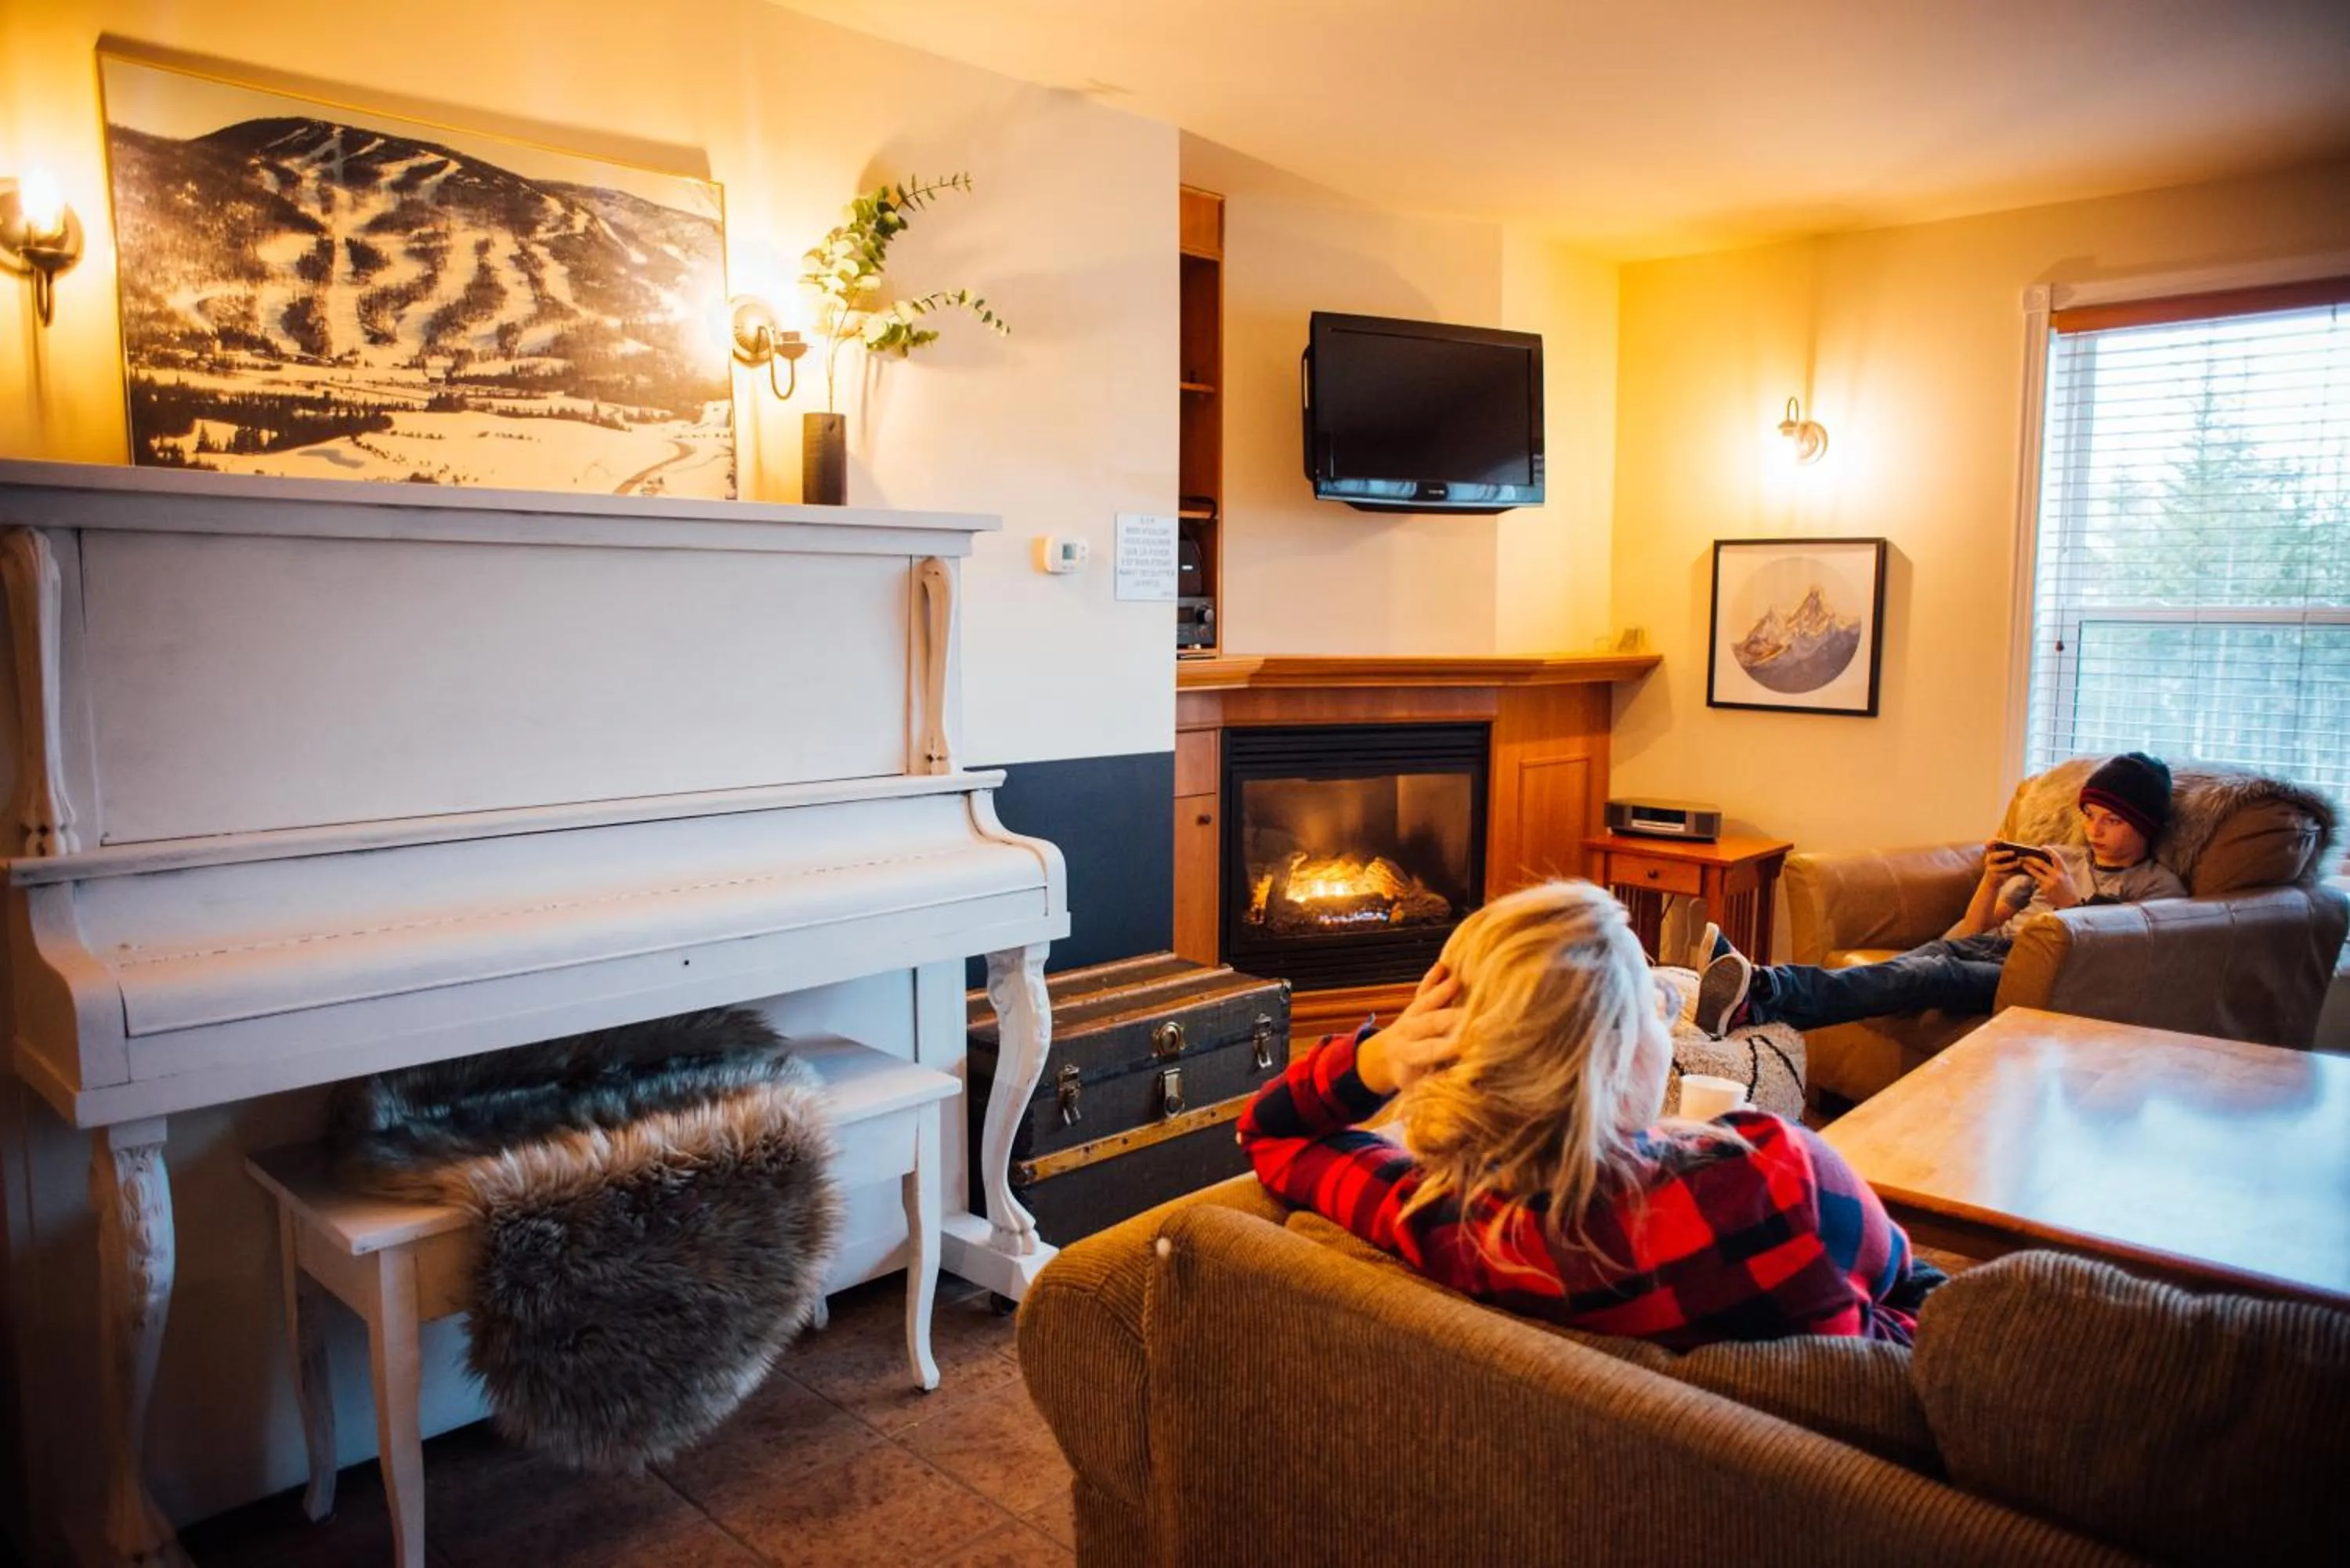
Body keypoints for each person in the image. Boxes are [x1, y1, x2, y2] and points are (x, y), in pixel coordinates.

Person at [1237, 880, 1937, 1349]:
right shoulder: (1781, 1180)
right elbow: (1918, 1309)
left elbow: (1269, 1129)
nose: (1668, 1018)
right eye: (1660, 1005)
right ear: (1616, 1059)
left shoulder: (1447, 1221)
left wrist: (1378, 1060)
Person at [1694, 751, 2188, 1037]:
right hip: (1987, 948)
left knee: (1929, 972)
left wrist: (2067, 906)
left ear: (2145, 826)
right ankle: (1758, 994)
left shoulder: (2157, 886)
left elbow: (2124, 965)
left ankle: (1762, 988)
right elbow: (1970, 933)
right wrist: (1993, 881)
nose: (2095, 830)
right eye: (2090, 816)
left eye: (2113, 820)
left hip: (2037, 968)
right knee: (1910, 966)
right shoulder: (2060, 858)